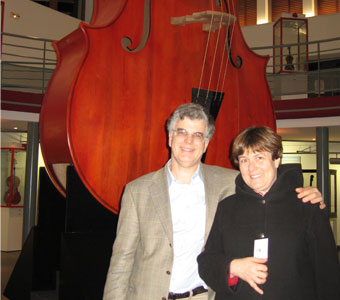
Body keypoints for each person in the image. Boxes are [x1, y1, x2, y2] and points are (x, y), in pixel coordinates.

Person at [103, 104, 323, 300]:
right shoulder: (137, 191)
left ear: (206, 144)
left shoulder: (228, 181)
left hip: (203, 295)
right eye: (182, 132)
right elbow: (122, 260)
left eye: (198, 135)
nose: (189, 141)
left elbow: (264, 175)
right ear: (170, 138)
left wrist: (301, 191)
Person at [197, 126, 340, 300]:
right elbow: (206, 262)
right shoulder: (227, 208)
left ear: (277, 159)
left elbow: (328, 273)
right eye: (244, 160)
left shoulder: (307, 206)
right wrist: (233, 267)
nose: (252, 168)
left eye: (259, 157)